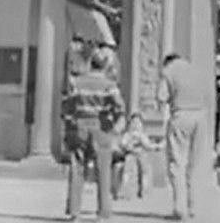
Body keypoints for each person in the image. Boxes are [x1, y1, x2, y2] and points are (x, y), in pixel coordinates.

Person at [63, 48, 125, 221]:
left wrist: (70, 123)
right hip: (101, 127)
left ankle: (75, 212)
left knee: (78, 169)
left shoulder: (77, 82)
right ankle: (103, 213)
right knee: (103, 171)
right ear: (104, 65)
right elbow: (119, 107)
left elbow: (67, 106)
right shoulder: (109, 85)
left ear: (90, 63)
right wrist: (114, 123)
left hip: (80, 126)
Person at [160, 52, 213, 221]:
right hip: (200, 116)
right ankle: (193, 207)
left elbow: (161, 96)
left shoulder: (169, 71)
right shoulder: (198, 71)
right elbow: (209, 95)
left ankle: (179, 208)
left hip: (181, 116)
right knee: (194, 164)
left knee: (177, 163)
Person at [111, 112, 161, 200]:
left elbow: (147, 145)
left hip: (142, 155)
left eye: (138, 123)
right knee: (128, 171)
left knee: (144, 170)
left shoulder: (143, 135)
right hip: (130, 155)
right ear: (129, 124)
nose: (136, 125)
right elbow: (123, 143)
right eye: (133, 123)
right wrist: (127, 146)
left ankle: (144, 191)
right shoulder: (127, 135)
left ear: (142, 125)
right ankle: (126, 191)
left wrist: (155, 147)